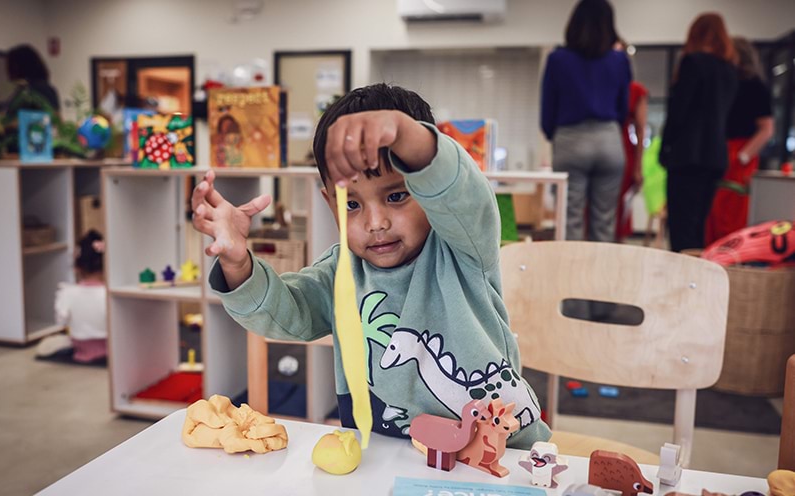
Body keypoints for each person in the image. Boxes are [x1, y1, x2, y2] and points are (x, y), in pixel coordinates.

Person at [191, 83, 551, 449]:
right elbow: (284, 313)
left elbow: (463, 193)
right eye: (351, 204)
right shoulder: (339, 272)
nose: (376, 223)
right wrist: (237, 262)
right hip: (383, 454)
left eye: (397, 195)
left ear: (426, 188)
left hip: (497, 454)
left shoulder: (462, 245)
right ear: (330, 204)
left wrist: (409, 137)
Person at [540, 0, 631, 242]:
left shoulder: (557, 59)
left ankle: (571, 268)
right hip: (609, 140)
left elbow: (548, 109)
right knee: (605, 222)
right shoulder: (620, 60)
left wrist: (554, 135)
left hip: (570, 140)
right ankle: (602, 268)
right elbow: (624, 108)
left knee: (570, 219)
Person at [660, 13, 738, 252]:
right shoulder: (729, 70)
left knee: (681, 227)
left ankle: (682, 273)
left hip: (687, 156)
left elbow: (678, 111)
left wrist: (665, 147)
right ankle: (696, 272)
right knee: (698, 227)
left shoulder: (693, 62)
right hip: (715, 157)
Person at [705, 37, 774, 246]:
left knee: (733, 213)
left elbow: (767, 129)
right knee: (713, 212)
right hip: (719, 150)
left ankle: (732, 256)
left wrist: (743, 156)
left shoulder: (755, 86)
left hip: (740, 153)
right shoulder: (724, 83)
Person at [36, 230, 107, 363]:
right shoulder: (108, 294)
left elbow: (61, 321)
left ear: (76, 267)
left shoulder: (67, 292)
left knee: (50, 343)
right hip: (108, 345)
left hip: (80, 344)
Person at [614, 42, 649, 242]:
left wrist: (638, 167)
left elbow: (641, 129)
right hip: (609, 145)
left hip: (624, 151)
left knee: (620, 211)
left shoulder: (635, 90)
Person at [5, 44, 60, 114]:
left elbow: (51, 116)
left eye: (10, 65)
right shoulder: (24, 89)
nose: (7, 69)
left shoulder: (35, 90)